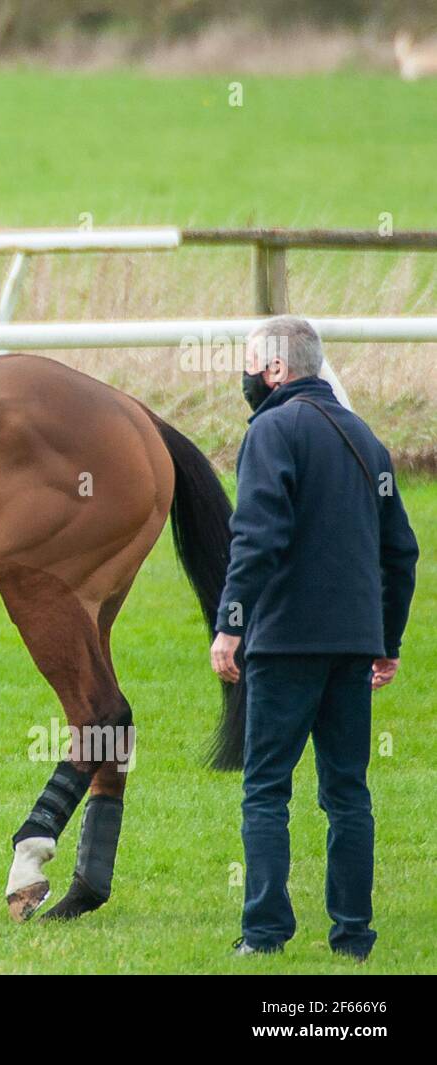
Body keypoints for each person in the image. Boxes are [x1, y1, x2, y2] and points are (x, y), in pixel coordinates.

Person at [211, 316, 419, 961]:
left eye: (249, 362)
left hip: (285, 641)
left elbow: (258, 537)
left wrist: (230, 623)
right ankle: (353, 935)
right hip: (353, 644)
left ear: (274, 369)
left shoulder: (272, 430)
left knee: (267, 789)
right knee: (347, 793)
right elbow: (401, 553)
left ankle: (265, 933)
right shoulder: (366, 438)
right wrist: (386, 640)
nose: (244, 374)